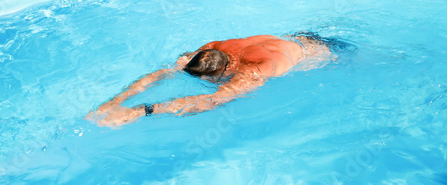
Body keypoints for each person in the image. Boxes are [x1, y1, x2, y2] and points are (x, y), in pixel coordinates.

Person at [86, 32, 340, 127]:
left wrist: (142, 111)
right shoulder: (213, 48)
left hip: (323, 52)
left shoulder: (254, 70)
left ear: (221, 73)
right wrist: (115, 102)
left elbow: (214, 100)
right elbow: (163, 72)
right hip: (295, 36)